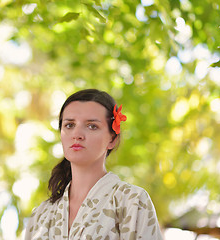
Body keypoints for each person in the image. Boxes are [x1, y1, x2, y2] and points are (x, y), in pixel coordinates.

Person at [25, 89, 163, 239]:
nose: (77, 134)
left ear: (112, 139)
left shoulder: (132, 201)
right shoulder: (41, 215)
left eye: (92, 126)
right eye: (69, 125)